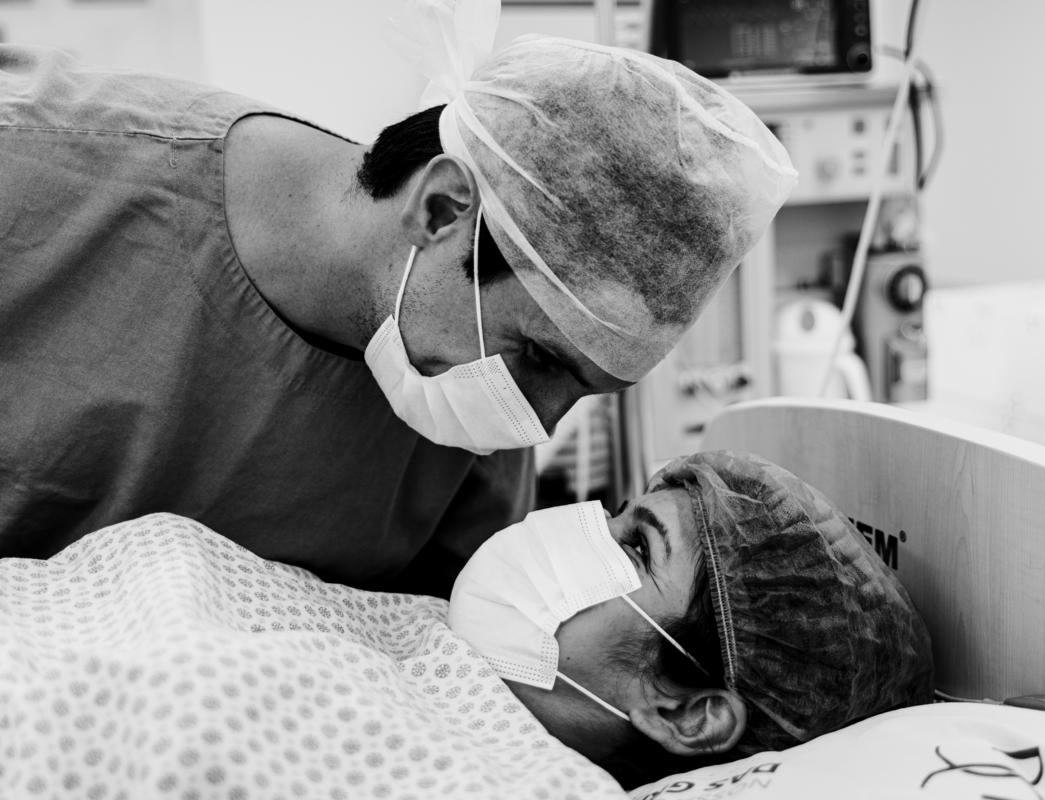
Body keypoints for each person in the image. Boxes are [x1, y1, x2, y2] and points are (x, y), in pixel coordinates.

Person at [0, 0, 796, 591]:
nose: (541, 422)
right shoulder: (36, 175)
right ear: (443, 209)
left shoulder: (473, 423)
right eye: (543, 358)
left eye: (585, 391)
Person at [0, 451, 933, 795]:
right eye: (615, 512)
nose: (572, 527)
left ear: (683, 712)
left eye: (636, 548)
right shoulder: (438, 650)